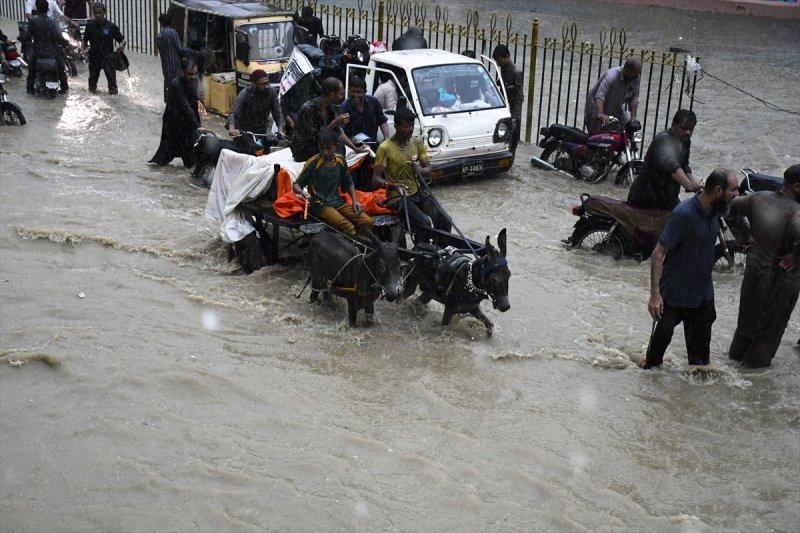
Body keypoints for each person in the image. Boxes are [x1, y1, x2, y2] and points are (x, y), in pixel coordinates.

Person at [642, 169, 740, 369]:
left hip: (703, 297)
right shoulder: (683, 213)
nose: (737, 195)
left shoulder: (716, 210)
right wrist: (654, 296)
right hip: (673, 295)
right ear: (719, 191)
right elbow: (658, 253)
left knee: (700, 366)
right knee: (653, 362)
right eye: (734, 190)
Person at [725, 164, 800, 368]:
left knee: (745, 326)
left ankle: (732, 367)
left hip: (755, 271)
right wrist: (796, 258)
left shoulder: (758, 198)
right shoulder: (795, 211)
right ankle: (752, 385)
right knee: (768, 333)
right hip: (782, 279)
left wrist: (745, 237)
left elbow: (729, 208)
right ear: (797, 187)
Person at [371, 107, 451, 231]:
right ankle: (422, 249)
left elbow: (429, 170)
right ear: (396, 126)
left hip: (417, 192)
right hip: (398, 198)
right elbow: (375, 180)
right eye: (406, 126)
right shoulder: (385, 148)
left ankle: (444, 248)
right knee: (424, 223)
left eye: (412, 125)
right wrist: (394, 186)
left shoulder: (416, 143)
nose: (411, 129)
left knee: (445, 219)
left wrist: (418, 169)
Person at [293, 129, 372, 236]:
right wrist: (301, 192)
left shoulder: (341, 161)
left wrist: (354, 201)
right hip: (319, 204)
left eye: (329, 148)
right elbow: (296, 185)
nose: (325, 152)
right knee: (347, 226)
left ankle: (361, 244)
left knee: (367, 221)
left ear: (336, 145)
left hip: (337, 201)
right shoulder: (313, 163)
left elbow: (348, 183)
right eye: (322, 148)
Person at [627, 109, 702, 211]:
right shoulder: (663, 140)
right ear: (673, 125)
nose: (688, 132)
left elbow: (684, 166)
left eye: (691, 129)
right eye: (683, 128)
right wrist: (687, 184)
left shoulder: (686, 141)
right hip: (646, 196)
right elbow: (673, 166)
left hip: (667, 197)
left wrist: (695, 184)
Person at [289, 77, 367, 162]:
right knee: (335, 149)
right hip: (303, 150)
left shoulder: (329, 108)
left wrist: (355, 149)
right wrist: (335, 123)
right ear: (332, 95)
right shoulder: (309, 109)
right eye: (340, 94)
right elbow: (316, 138)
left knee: (339, 145)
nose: (342, 97)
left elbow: (338, 131)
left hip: (317, 146)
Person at [149, 58, 202, 168]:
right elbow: (186, 106)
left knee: (191, 159)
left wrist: (199, 126)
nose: (193, 77)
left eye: (195, 74)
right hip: (173, 126)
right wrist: (197, 125)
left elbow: (194, 106)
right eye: (190, 74)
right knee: (161, 160)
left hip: (187, 125)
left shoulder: (194, 82)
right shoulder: (175, 84)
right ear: (182, 72)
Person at [584, 57, 642, 134]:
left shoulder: (636, 78)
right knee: (598, 136)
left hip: (615, 106)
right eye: (634, 74)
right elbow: (600, 96)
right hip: (596, 106)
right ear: (626, 70)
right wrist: (601, 114)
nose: (636, 76)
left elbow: (634, 99)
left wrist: (633, 118)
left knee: (625, 131)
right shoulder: (612, 75)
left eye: (638, 74)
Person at [26, 0, 69, 94]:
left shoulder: (33, 22)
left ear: (37, 9)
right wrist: (66, 43)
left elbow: (28, 37)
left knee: (31, 70)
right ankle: (64, 87)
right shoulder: (52, 23)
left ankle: (30, 89)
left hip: (37, 52)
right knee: (61, 68)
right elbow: (59, 37)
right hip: (52, 53)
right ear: (48, 9)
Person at [82, 2, 125, 95]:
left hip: (108, 58)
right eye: (95, 13)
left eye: (99, 13)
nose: (97, 15)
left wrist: (121, 46)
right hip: (94, 58)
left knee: (113, 86)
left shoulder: (111, 26)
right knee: (92, 85)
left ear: (104, 13)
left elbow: (122, 40)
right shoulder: (90, 26)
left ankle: (115, 103)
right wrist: (83, 51)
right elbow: (84, 40)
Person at [226, 69, 285, 138]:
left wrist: (280, 130)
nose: (266, 86)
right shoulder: (244, 93)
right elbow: (233, 113)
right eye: (262, 84)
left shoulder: (271, 92)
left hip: (261, 131)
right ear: (253, 84)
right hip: (244, 132)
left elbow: (277, 113)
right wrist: (232, 129)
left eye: (267, 83)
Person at [492, 44, 523, 153]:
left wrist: (514, 118)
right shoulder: (504, 69)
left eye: (499, 60)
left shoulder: (516, 73)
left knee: (512, 143)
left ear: (507, 56)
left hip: (513, 111)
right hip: (505, 108)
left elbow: (519, 97)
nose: (497, 63)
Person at [340, 76, 390, 141]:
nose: (356, 95)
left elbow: (382, 121)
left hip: (371, 144)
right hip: (352, 145)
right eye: (353, 92)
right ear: (349, 91)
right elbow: (341, 131)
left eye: (359, 92)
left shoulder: (374, 102)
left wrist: (386, 139)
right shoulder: (345, 106)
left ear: (365, 92)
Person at [155, 12, 190, 103]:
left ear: (161, 23)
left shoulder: (158, 36)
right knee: (177, 84)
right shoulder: (173, 33)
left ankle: (168, 102)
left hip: (165, 67)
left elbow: (161, 52)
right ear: (170, 22)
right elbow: (180, 50)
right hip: (175, 66)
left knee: (167, 83)